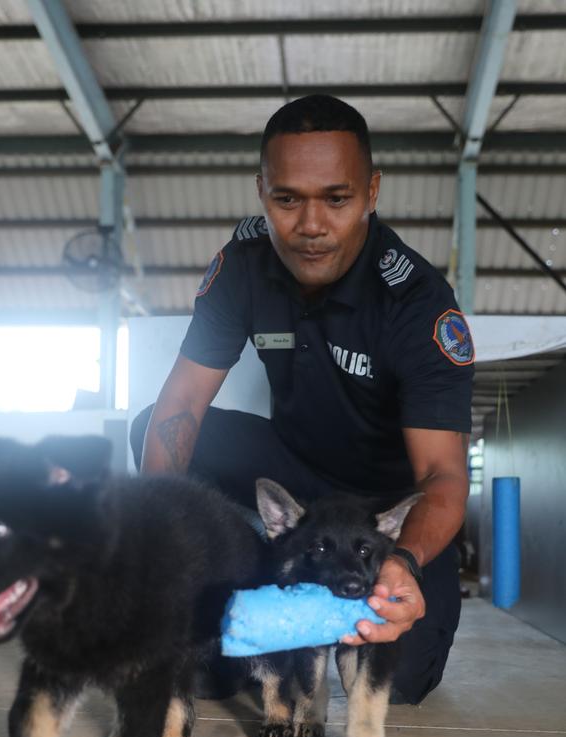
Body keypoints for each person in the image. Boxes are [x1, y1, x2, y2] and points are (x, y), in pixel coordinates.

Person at [130, 94, 474, 705]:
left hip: (385, 508)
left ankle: (349, 581)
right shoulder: (242, 268)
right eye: (287, 199)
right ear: (262, 191)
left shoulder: (417, 302)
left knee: (405, 679)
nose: (311, 225)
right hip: (293, 473)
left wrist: (405, 564)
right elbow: (182, 399)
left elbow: (442, 474)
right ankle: (244, 569)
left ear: (371, 192)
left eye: (336, 199)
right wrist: (161, 541)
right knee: (153, 433)